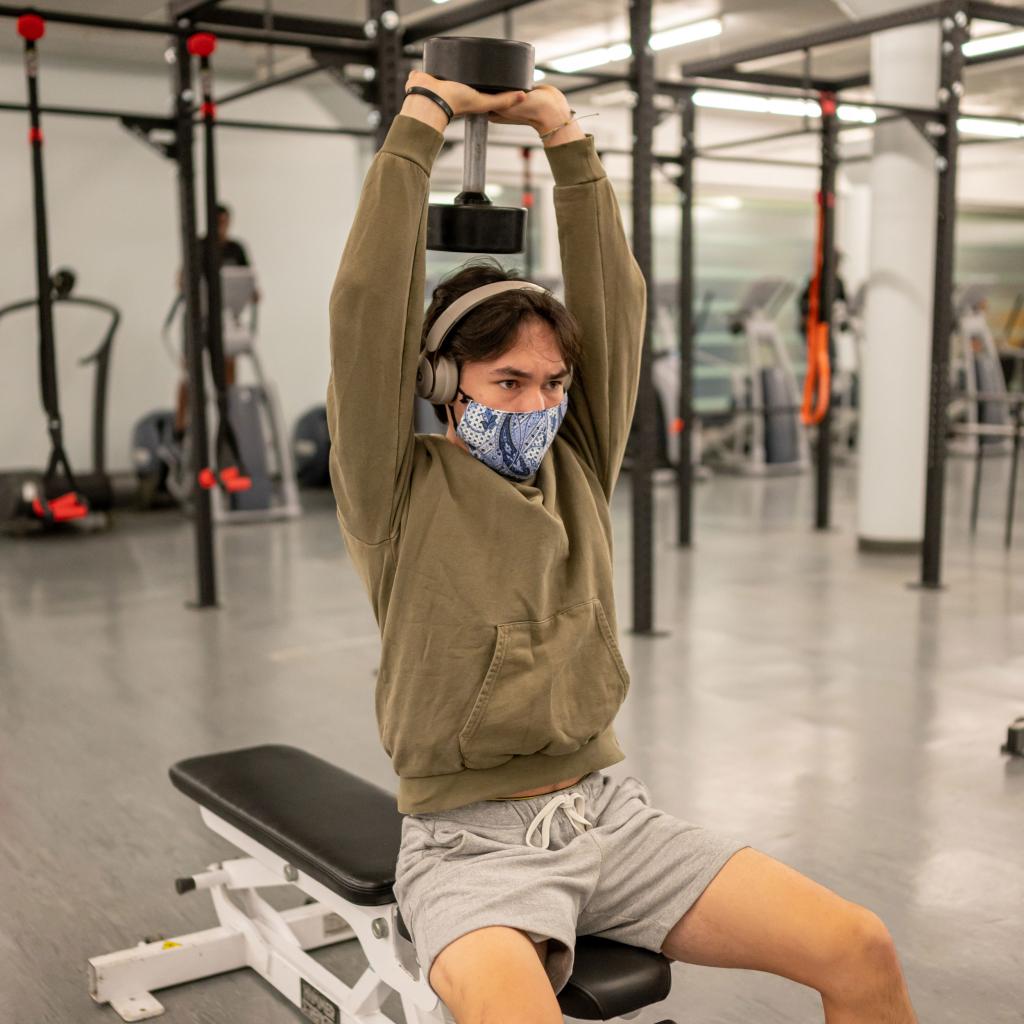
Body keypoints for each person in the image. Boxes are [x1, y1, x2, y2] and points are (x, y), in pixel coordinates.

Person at [326, 71, 919, 1024]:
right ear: (441, 379)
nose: (536, 404)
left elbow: (616, 303)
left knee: (860, 947)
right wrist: (420, 127)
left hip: (614, 815)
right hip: (468, 846)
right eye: (507, 381)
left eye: (552, 382)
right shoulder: (393, 491)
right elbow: (365, 311)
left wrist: (564, 134)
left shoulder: (578, 461)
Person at [173, 203, 259, 439]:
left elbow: (249, 282)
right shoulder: (198, 247)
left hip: (226, 320)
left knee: (228, 373)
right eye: (218, 222)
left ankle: (228, 423)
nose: (222, 226)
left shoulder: (235, 249)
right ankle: (180, 427)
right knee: (190, 375)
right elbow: (181, 281)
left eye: (224, 221)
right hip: (198, 320)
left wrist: (253, 293)